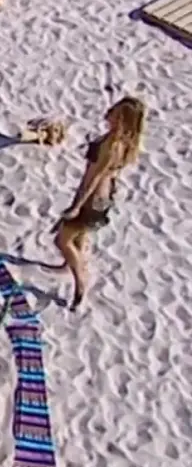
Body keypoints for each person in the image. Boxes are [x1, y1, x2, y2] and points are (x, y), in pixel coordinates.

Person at [47, 96, 146, 311]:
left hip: (92, 198)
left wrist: (76, 206)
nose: (109, 114)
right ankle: (69, 264)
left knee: (62, 240)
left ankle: (80, 281)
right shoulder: (127, 142)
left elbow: (92, 178)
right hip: (105, 196)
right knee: (79, 234)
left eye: (115, 114)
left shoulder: (112, 145)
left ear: (122, 120)